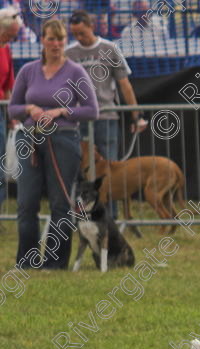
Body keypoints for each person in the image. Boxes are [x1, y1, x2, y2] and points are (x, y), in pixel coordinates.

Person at [9, 19, 98, 269]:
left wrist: (61, 111)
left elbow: (92, 110)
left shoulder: (75, 72)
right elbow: (13, 110)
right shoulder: (28, 71)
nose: (56, 44)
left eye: (60, 39)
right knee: (26, 202)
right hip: (30, 139)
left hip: (63, 139)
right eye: (51, 39)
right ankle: (26, 260)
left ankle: (55, 262)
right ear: (43, 41)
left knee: (60, 202)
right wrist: (29, 108)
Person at [66, 10, 148, 216]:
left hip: (106, 117)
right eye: (75, 34)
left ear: (91, 27)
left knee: (109, 170)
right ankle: (80, 215)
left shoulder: (109, 49)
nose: (79, 38)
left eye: (82, 33)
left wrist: (136, 115)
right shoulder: (70, 53)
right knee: (77, 168)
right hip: (80, 120)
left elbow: (124, 84)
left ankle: (108, 217)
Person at [0, 7, 19, 211]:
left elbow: (8, 86)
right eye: (10, 34)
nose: (12, 38)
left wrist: (12, 114)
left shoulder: (6, 50)